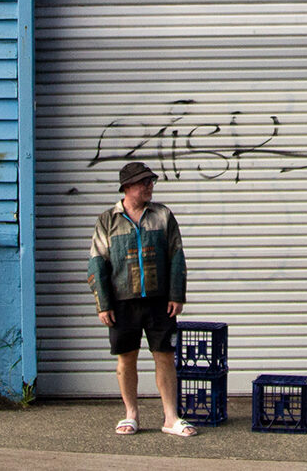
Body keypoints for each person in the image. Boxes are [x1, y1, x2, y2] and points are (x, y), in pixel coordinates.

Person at [88, 160, 193, 437]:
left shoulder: (163, 215)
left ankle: (171, 418)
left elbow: (176, 256)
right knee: (126, 358)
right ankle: (131, 415)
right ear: (127, 187)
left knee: (165, 357)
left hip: (160, 301)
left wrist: (176, 294)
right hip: (122, 303)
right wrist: (103, 303)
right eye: (144, 182)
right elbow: (97, 263)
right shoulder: (107, 220)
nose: (150, 186)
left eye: (151, 182)